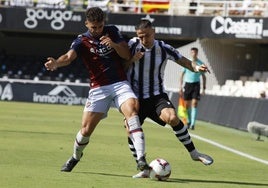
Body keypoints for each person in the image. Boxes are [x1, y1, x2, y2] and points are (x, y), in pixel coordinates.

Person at [44, 7, 149, 174]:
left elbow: (127, 55)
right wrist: (56, 63)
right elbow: (69, 57)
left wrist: (113, 44)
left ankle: (142, 159)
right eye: (93, 27)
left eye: (99, 26)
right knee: (86, 130)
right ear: (86, 24)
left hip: (120, 83)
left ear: (103, 23)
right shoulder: (81, 40)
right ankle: (75, 157)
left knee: (133, 113)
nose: (97, 30)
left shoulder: (112, 31)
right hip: (98, 88)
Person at [124, 19, 213, 178]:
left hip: (157, 95)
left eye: (147, 36)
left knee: (172, 117)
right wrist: (131, 60)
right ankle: (142, 165)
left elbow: (184, 62)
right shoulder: (131, 46)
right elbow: (120, 67)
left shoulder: (163, 48)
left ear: (154, 32)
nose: (144, 40)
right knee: (129, 128)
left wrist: (197, 67)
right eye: (140, 36)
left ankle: (193, 153)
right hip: (135, 98)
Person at [179, 47, 206, 130]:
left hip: (196, 85)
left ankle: (193, 124)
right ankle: (189, 121)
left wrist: (204, 88)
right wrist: (180, 86)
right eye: (192, 52)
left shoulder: (200, 63)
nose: (193, 54)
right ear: (191, 53)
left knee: (194, 103)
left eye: (195, 52)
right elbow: (182, 75)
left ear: (197, 53)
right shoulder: (187, 62)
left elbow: (204, 76)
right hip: (187, 85)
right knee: (187, 106)